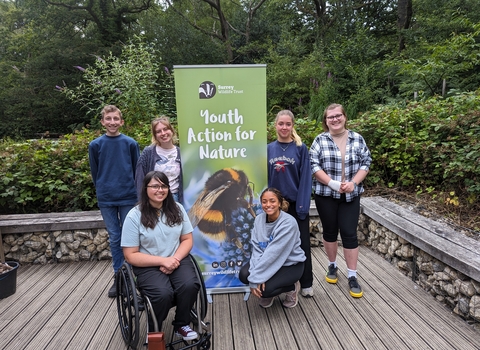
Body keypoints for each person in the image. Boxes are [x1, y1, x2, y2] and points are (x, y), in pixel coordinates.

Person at [121, 171, 200, 341]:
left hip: (176, 258)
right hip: (148, 264)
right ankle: (154, 328)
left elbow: (187, 239)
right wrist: (164, 261)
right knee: (162, 294)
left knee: (190, 285)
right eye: (155, 186)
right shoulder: (134, 216)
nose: (160, 190)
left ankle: (181, 324)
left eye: (163, 186)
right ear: (146, 189)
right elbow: (130, 255)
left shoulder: (177, 208)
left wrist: (175, 259)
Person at [309, 103, 372, 298]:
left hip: (350, 195)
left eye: (338, 116)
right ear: (325, 121)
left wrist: (354, 182)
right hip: (326, 195)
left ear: (345, 117)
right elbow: (313, 165)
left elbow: (366, 162)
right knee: (329, 231)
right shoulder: (319, 140)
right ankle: (332, 266)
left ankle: (352, 275)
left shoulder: (357, 138)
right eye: (330, 117)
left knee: (349, 233)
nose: (334, 120)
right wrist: (333, 184)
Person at [88, 104, 140, 298]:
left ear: (121, 122)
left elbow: (138, 171)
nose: (112, 122)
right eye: (108, 119)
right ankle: (119, 277)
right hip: (107, 198)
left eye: (115, 119)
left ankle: (133, 276)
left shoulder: (130, 144)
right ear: (102, 122)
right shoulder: (95, 145)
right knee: (115, 237)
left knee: (129, 238)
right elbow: (96, 172)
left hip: (128, 196)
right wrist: (102, 189)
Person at [267, 110, 314, 297]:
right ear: (275, 125)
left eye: (288, 124)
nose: (284, 127)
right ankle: (281, 286)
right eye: (281, 124)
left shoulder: (301, 148)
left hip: (296, 205)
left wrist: (303, 206)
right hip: (275, 207)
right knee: (276, 246)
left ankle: (306, 283)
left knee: (301, 245)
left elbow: (305, 180)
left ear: (292, 125)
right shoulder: (268, 149)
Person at [239, 187, 306, 309]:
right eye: (264, 201)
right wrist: (256, 275)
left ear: (279, 203)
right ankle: (269, 287)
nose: (268, 205)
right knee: (244, 275)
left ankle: (292, 288)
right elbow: (257, 249)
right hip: (269, 260)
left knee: (266, 289)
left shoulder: (288, 223)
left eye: (272, 201)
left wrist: (258, 277)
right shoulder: (259, 219)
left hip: (290, 264)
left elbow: (273, 254)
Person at [135, 116, 183, 203]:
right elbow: (140, 179)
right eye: (158, 131)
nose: (163, 133)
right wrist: (142, 202)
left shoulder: (181, 152)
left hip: (175, 198)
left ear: (171, 131)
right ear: (155, 135)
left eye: (165, 129)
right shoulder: (148, 153)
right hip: (154, 199)